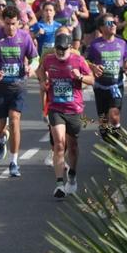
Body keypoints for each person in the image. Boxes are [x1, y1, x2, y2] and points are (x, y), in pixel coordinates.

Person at [36, 32, 94, 198]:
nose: (60, 53)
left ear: (70, 47)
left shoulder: (78, 60)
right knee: (59, 144)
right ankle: (59, 184)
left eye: (63, 49)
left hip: (74, 109)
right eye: (58, 49)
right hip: (56, 108)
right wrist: (42, 82)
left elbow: (92, 79)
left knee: (73, 146)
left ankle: (73, 176)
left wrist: (81, 76)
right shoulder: (48, 60)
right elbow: (39, 71)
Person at [0, 7, 38, 178]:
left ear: (19, 23)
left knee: (15, 120)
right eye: (7, 24)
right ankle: (1, 139)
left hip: (18, 85)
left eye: (14, 24)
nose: (10, 28)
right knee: (0, 128)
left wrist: (32, 68)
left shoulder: (24, 37)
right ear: (2, 21)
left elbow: (35, 58)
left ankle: (14, 162)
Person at [84, 13, 127, 142]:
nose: (113, 25)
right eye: (109, 23)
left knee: (114, 115)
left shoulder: (122, 43)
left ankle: (117, 140)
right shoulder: (94, 45)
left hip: (116, 86)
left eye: (114, 23)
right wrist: (93, 67)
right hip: (100, 87)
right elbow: (84, 61)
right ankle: (108, 140)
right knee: (103, 120)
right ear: (101, 27)